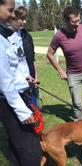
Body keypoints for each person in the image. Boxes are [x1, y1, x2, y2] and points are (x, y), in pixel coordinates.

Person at [0, 0, 41, 165]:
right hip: (9, 101)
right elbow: (4, 82)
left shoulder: (4, 35)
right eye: (10, 10)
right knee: (31, 151)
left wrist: (24, 77)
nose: (12, 14)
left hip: (17, 95)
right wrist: (23, 112)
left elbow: (11, 67)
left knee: (17, 147)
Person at [47, 6, 82, 121]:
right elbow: (50, 54)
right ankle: (79, 126)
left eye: (78, 20)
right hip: (73, 75)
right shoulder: (59, 36)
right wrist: (60, 71)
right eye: (74, 21)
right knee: (77, 104)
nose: (77, 24)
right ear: (66, 20)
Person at [9, 6, 40, 108]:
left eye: (25, 18)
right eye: (22, 19)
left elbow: (32, 59)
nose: (25, 21)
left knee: (35, 112)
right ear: (13, 18)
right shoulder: (6, 38)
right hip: (16, 85)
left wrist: (35, 77)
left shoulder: (27, 36)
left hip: (31, 83)